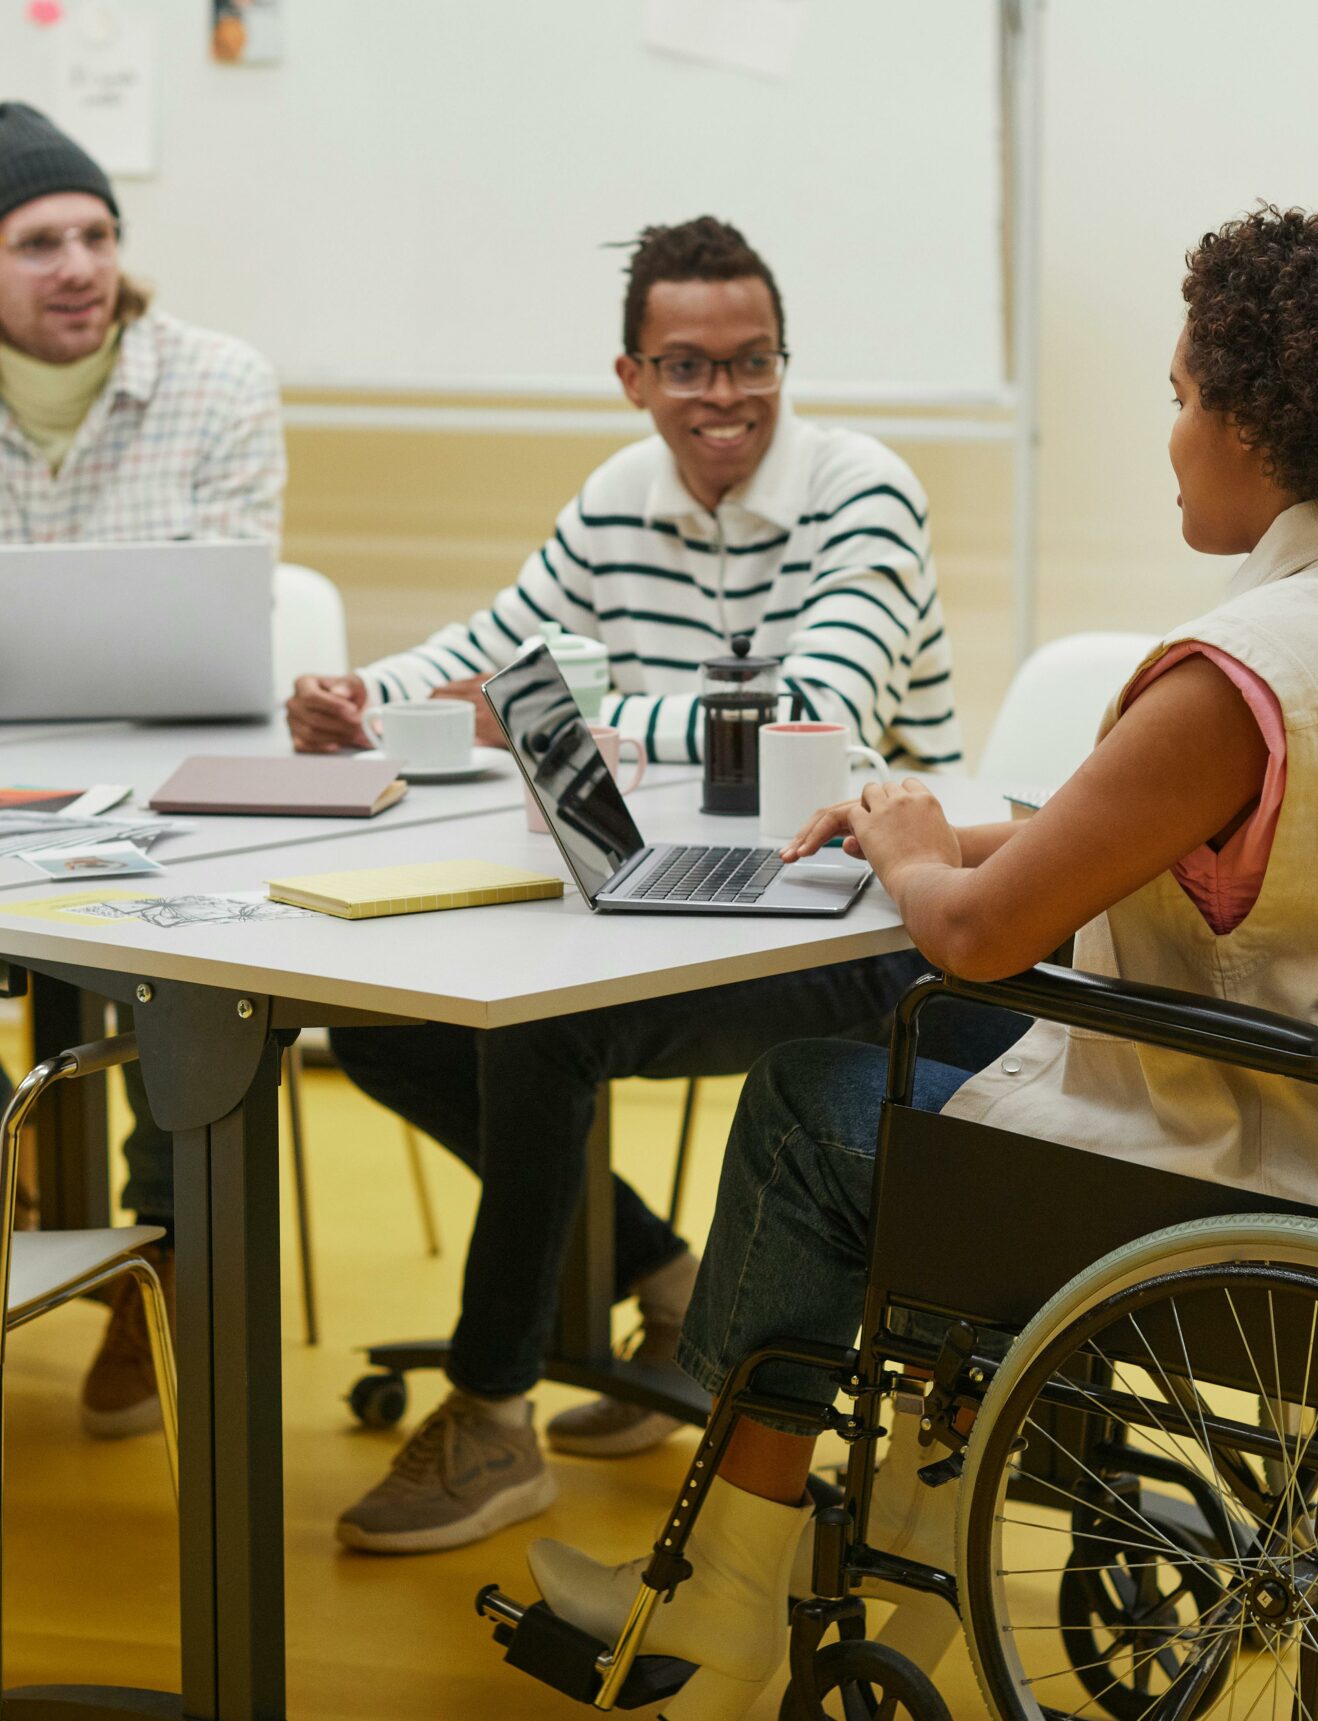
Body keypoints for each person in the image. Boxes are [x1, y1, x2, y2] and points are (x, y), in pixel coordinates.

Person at [525, 206, 1318, 1719]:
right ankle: (924, 1495)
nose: (1171, 436)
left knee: (814, 1106)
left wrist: (906, 850)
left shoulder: (1242, 675)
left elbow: (975, 936)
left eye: (1180, 398)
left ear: (1253, 422)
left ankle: (724, 1600)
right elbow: (1169, 841)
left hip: (1255, 1184)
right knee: (951, 1075)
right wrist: (961, 831)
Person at [284, 217, 997, 1556]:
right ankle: (663, 1277)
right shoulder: (621, 494)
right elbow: (501, 640)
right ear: (632, 377)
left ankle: (493, 1411)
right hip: (693, 893)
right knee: (381, 1027)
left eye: (752, 360)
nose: (724, 394)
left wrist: (567, 717)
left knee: (541, 1032)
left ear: (783, 361)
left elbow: (812, 719)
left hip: (868, 917)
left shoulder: (864, 490)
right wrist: (362, 695)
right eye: (686, 365)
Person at [0, 101, 284, 1440]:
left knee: (189, 964)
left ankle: (165, 1254)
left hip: (171, 781)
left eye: (97, 234)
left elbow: (231, 599)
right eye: (38, 243)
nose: (78, 266)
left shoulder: (220, 380)